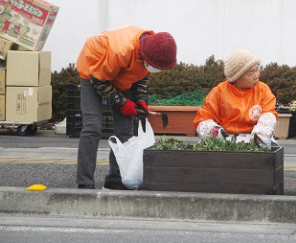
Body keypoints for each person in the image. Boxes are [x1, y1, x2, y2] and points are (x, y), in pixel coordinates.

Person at [76, 26, 177, 189]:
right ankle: (84, 181)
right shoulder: (120, 51)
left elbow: (141, 78)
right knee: (92, 127)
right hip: (93, 70)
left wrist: (141, 101)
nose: (154, 69)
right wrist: (122, 102)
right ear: (144, 55)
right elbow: (98, 81)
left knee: (125, 129)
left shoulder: (151, 52)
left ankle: (115, 178)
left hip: (119, 72)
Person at [193, 49, 278, 145]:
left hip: (254, 138)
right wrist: (214, 130)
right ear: (236, 77)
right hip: (225, 139)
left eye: (257, 70)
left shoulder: (263, 90)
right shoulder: (219, 92)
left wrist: (262, 132)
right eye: (251, 73)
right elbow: (204, 117)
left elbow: (269, 113)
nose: (256, 75)